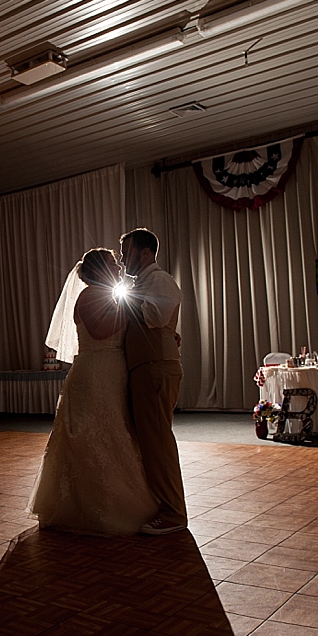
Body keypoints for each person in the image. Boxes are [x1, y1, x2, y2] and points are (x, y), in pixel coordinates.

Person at [27, 248, 157, 535]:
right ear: (100, 269)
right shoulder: (88, 296)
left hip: (111, 371)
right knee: (91, 435)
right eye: (113, 262)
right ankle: (89, 507)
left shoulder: (108, 295)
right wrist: (131, 309)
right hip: (94, 371)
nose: (119, 266)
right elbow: (100, 331)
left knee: (115, 433)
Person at [119, 228, 187, 536]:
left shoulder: (159, 280)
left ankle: (173, 512)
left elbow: (155, 317)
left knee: (158, 442)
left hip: (155, 368)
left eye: (127, 252)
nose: (123, 260)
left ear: (146, 252)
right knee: (149, 441)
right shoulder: (143, 283)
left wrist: (125, 296)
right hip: (144, 367)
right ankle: (160, 503)